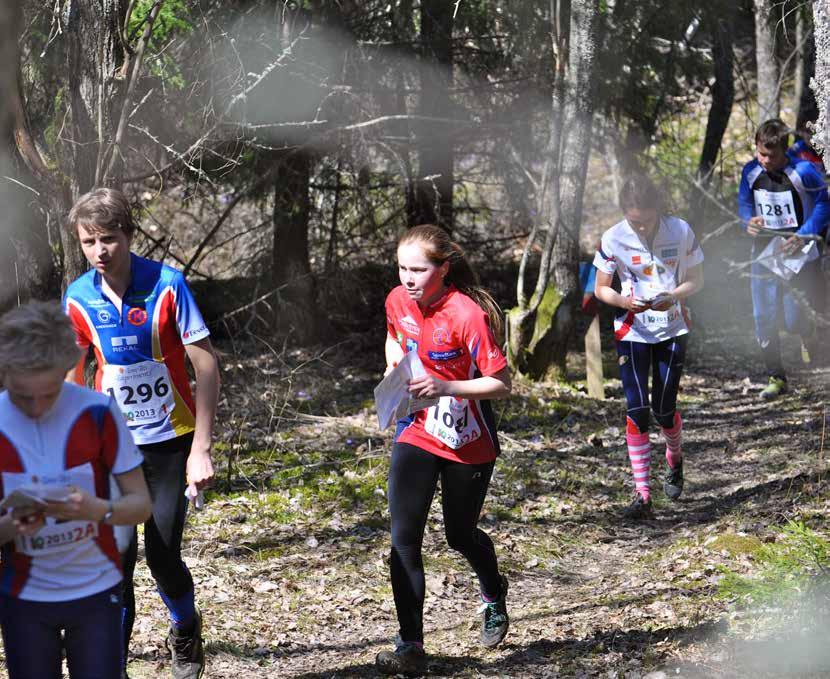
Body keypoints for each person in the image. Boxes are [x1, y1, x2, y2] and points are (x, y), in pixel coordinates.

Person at [63, 188, 221, 679]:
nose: (100, 251)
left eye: (109, 238)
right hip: (113, 447)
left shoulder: (167, 285)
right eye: (89, 242)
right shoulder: (77, 297)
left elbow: (207, 364)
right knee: (118, 557)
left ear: (129, 235)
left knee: (161, 552)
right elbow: (74, 371)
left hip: (171, 442)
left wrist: (202, 448)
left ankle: (185, 627)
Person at [376, 225, 512, 675]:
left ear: (443, 268)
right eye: (403, 268)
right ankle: (410, 644)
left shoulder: (466, 314)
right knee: (404, 538)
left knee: (459, 534)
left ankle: (493, 590)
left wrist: (446, 385)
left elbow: (500, 384)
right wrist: (395, 361)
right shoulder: (397, 300)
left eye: (420, 269)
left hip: (467, 437)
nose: (409, 278)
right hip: (417, 429)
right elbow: (395, 335)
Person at [0, 301, 151, 679]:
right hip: (24, 599)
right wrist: (9, 525)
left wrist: (96, 509)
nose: (35, 407)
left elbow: (141, 505)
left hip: (96, 592)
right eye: (21, 395)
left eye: (49, 393)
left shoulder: (98, 411)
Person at [593, 173, 704, 519]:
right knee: (637, 410)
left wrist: (672, 296)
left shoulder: (681, 230)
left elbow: (698, 280)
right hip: (632, 331)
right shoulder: (613, 238)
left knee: (663, 410)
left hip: (673, 329)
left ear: (658, 208)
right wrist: (624, 302)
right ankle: (642, 494)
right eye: (633, 220)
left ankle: (675, 457)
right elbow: (601, 289)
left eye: (646, 220)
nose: (640, 228)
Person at [738, 119, 830, 399]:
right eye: (760, 153)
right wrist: (747, 222)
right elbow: (744, 203)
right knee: (762, 316)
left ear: (785, 151)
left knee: (792, 319)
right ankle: (775, 377)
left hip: (797, 255)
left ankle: (808, 330)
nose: (765, 161)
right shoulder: (751, 171)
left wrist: (804, 234)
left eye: (772, 156)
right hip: (765, 253)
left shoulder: (803, 171)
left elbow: (825, 203)